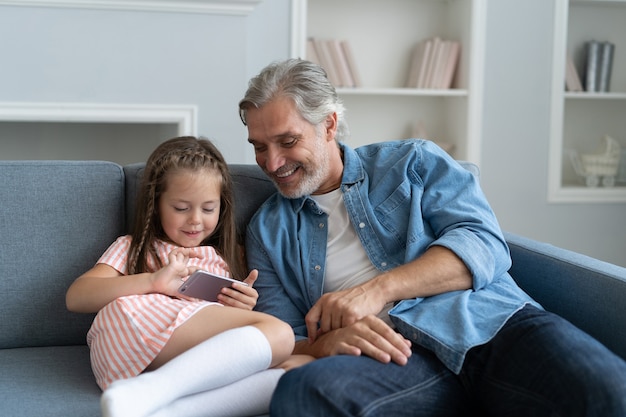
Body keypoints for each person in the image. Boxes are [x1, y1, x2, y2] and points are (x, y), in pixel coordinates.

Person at [237, 58, 626, 417]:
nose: (272, 163)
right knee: (302, 391)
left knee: (609, 391)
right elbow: (283, 337)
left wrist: (376, 291)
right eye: (259, 147)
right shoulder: (267, 231)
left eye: (287, 141)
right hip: (393, 361)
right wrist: (322, 345)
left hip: (489, 325)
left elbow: (483, 242)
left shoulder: (411, 162)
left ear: (329, 125)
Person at [66, 136, 311, 417]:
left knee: (299, 370)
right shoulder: (134, 247)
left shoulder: (223, 257)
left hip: (186, 359)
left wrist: (240, 307)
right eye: (181, 208)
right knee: (280, 335)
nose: (195, 219)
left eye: (208, 209)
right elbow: (76, 296)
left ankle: (159, 409)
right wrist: (153, 281)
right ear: (156, 205)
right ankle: (152, 391)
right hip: (133, 331)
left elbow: (221, 335)